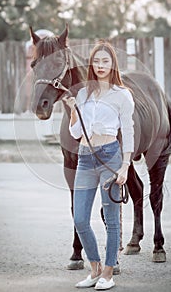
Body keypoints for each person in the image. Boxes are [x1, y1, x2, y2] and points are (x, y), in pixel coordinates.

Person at [63, 40, 134, 290]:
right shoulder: (84, 93)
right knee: (80, 218)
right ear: (91, 64)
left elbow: (128, 131)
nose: (101, 65)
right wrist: (73, 110)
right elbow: (75, 133)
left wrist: (125, 165)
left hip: (110, 157)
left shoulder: (122, 95)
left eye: (106, 61)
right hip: (85, 157)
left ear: (113, 63)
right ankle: (93, 269)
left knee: (112, 220)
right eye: (97, 61)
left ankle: (108, 273)